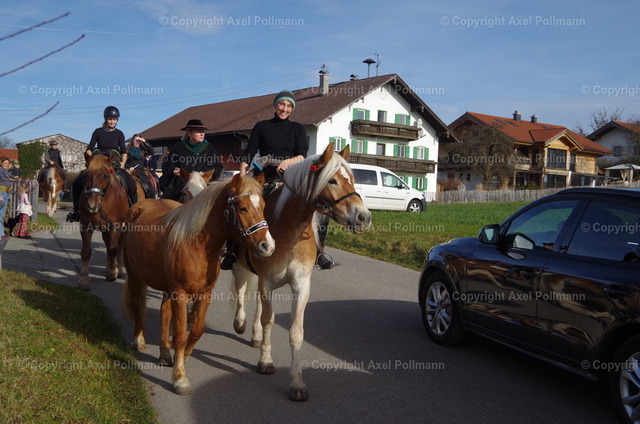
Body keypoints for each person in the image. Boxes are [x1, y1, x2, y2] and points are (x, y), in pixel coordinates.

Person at [233, 90, 334, 270]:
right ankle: (232, 251)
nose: (284, 109)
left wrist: (287, 162)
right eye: (281, 104)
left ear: (292, 109)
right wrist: (242, 170)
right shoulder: (261, 126)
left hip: (291, 173)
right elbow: (250, 151)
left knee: (320, 208)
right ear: (275, 105)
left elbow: (302, 155)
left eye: (288, 106)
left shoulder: (297, 128)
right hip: (264, 173)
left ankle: (319, 252)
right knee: (242, 204)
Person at [66, 106, 139, 222]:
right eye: (110, 119)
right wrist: (89, 161)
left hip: (113, 163)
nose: (112, 121)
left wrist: (123, 163)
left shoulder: (119, 133)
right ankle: (76, 212)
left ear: (117, 120)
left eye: (114, 119)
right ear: (105, 119)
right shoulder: (98, 132)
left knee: (131, 184)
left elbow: (124, 151)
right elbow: (89, 148)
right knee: (77, 183)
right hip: (98, 163)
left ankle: (134, 213)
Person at [159, 119, 223, 201]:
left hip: (203, 184)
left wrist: (204, 173)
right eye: (198, 131)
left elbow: (217, 166)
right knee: (166, 203)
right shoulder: (179, 147)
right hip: (181, 185)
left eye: (203, 132)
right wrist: (173, 170)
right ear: (189, 133)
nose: (202, 134)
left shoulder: (209, 148)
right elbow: (167, 163)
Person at [125, 134, 155, 198]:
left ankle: (151, 201)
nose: (137, 142)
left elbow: (152, 151)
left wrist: (144, 140)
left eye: (139, 141)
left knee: (151, 189)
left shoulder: (142, 150)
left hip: (140, 172)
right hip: (129, 171)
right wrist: (128, 167)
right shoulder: (127, 150)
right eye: (136, 140)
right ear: (132, 140)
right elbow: (123, 161)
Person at [0, 157, 13, 237]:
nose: (7, 164)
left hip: (6, 194)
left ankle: (1, 233)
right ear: (1, 163)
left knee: (2, 215)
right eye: (5, 163)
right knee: (0, 215)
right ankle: (1, 234)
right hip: (1, 194)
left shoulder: (6, 172)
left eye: (8, 163)